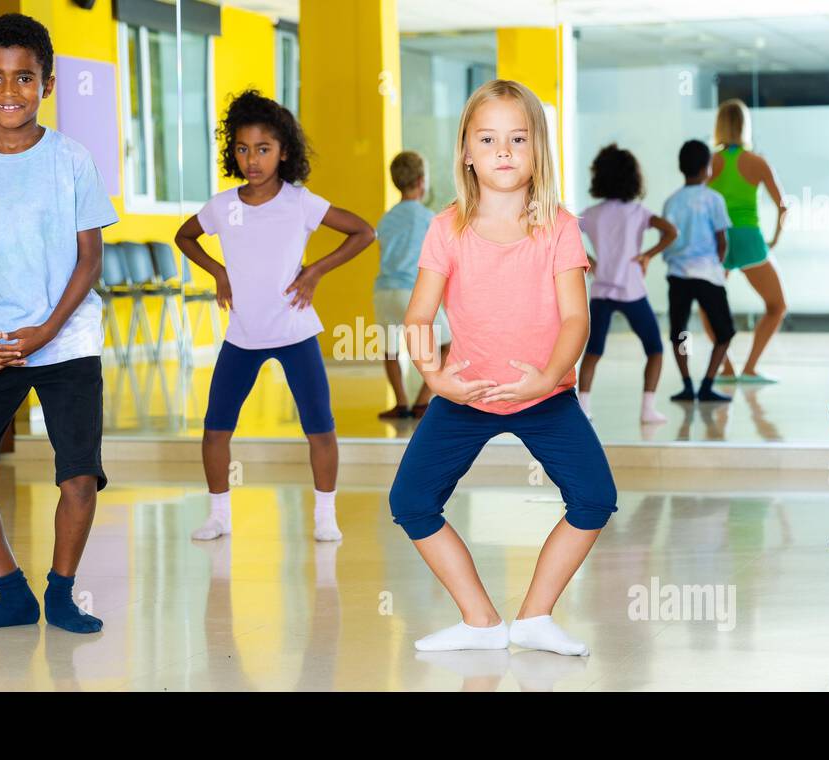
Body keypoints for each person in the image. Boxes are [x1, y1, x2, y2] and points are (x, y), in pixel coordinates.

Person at [389, 80, 617, 656]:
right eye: (488, 139)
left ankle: (535, 617)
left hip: (545, 396)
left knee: (594, 498)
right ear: (466, 151)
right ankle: (481, 621)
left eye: (518, 138)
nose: (504, 151)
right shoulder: (446, 228)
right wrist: (437, 379)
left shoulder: (560, 227)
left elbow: (575, 321)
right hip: (465, 396)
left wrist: (546, 378)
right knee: (411, 502)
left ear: (538, 148)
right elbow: (418, 315)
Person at [0, 13, 121, 632]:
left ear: (48, 84)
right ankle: (12, 592)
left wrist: (44, 332)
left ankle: (60, 591)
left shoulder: (71, 160)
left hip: (67, 340)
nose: (10, 91)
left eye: (25, 78)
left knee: (79, 477)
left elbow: (90, 259)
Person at [175, 89, 375, 543]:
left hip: (294, 331)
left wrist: (316, 271)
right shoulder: (223, 206)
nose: (253, 159)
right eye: (243, 149)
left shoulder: (299, 202)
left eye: (263, 149)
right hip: (242, 334)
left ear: (284, 152)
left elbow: (364, 231)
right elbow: (185, 237)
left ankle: (326, 515)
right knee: (215, 428)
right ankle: (218, 515)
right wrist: (218, 272)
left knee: (319, 427)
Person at [577, 144, 676, 423]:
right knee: (654, 349)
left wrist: (589, 260)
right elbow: (671, 231)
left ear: (599, 177)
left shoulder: (592, 213)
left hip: (601, 291)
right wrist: (648, 255)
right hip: (632, 290)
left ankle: (583, 406)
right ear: (633, 177)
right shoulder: (638, 212)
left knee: (593, 351)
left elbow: (564, 234)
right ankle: (647, 410)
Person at [704, 99, 789, 383]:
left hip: (718, 240)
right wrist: (774, 238)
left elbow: (698, 202)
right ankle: (750, 367)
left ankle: (725, 367)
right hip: (750, 239)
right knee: (777, 306)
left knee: (708, 306)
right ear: (744, 126)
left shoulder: (710, 161)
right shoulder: (756, 161)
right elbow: (783, 204)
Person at [374, 150, 452, 420]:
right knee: (448, 343)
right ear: (421, 181)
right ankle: (422, 400)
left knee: (391, 349)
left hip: (383, 291)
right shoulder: (429, 218)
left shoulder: (386, 219)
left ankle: (401, 403)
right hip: (412, 291)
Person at [662, 140, 735, 403]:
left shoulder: (671, 202)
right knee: (724, 332)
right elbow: (722, 240)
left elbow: (666, 237)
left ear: (681, 167)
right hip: (707, 274)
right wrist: (718, 264)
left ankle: (686, 383)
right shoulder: (714, 199)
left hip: (678, 275)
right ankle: (707, 383)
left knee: (680, 331)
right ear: (708, 169)